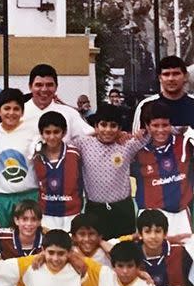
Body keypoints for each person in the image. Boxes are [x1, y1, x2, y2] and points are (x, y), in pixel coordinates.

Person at [71, 104, 148, 239]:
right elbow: (62, 141)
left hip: (123, 209)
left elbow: (149, 135)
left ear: (119, 128)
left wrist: (138, 132)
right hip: (94, 209)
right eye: (103, 125)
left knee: (125, 251)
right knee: (97, 252)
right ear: (96, 126)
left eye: (113, 126)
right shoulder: (83, 144)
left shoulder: (127, 145)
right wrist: (93, 133)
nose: (108, 130)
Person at [103, 209, 194, 286]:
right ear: (140, 234)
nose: (153, 236)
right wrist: (132, 237)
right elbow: (109, 246)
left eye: (158, 231)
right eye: (147, 231)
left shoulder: (178, 251)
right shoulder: (132, 249)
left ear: (165, 233)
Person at [0, 64, 93, 143]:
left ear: (56, 87)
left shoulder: (70, 114)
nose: (44, 89)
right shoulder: (17, 113)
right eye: (39, 85)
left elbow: (91, 136)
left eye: (49, 85)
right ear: (30, 86)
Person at [131, 101, 193, 236]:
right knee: (150, 256)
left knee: (185, 255)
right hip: (150, 218)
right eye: (155, 125)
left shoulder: (185, 143)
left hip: (180, 217)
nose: (160, 130)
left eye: (165, 125)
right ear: (147, 126)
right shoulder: (136, 151)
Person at [0, 89, 39, 228]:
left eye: (16, 109)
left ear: (22, 112)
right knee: (5, 240)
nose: (11, 113)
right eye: (6, 108)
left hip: (29, 195)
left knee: (29, 237)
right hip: (2, 198)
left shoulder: (34, 130)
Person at [32, 111, 84, 231]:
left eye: (56, 132)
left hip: (71, 212)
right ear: (41, 133)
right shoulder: (36, 156)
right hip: (46, 213)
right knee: (50, 247)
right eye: (47, 132)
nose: (52, 137)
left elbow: (81, 181)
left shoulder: (74, 153)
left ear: (64, 132)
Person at [133, 55, 194, 131]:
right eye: (166, 74)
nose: (171, 79)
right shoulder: (145, 106)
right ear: (160, 78)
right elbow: (137, 140)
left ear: (185, 76)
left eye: (176, 74)